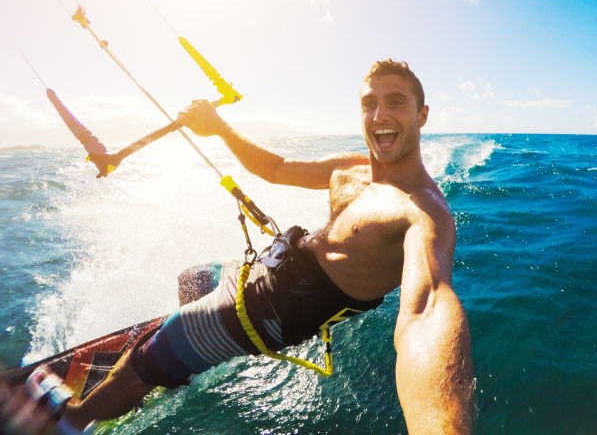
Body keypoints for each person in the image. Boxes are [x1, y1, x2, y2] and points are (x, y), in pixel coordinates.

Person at [59, 59, 474, 434]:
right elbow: (276, 169)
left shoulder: (422, 210)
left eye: (396, 102)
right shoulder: (354, 169)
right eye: (370, 103)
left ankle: (73, 417)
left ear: (422, 115)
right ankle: (176, 358)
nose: (380, 115)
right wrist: (219, 127)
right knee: (192, 278)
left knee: (139, 365)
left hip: (269, 313)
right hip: (260, 274)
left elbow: (427, 311)